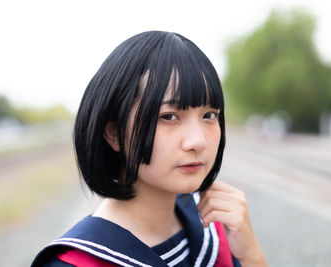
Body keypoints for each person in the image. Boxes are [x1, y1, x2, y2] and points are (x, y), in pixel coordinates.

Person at [31, 31, 267, 267]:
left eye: (209, 115)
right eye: (169, 116)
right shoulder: (78, 262)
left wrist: (252, 256)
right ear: (114, 133)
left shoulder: (219, 230)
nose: (198, 142)